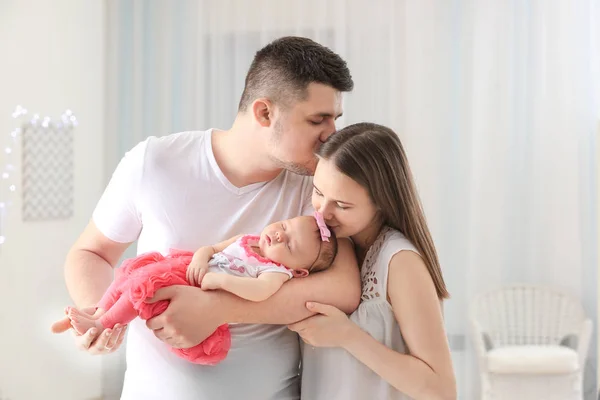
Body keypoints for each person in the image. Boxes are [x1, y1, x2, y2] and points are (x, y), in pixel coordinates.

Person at [52, 36, 360, 399]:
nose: (332, 137)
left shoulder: (318, 186)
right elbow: (91, 252)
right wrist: (103, 316)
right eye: (317, 120)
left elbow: (344, 288)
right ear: (264, 113)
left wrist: (217, 307)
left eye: (335, 119)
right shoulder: (155, 163)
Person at [289, 123, 457, 399]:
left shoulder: (399, 261)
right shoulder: (329, 247)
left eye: (342, 205)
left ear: (381, 202)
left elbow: (441, 390)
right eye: (318, 192)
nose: (323, 212)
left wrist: (348, 336)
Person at [53, 213, 337, 366]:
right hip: (191, 268)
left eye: (287, 244)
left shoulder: (277, 272)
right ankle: (99, 310)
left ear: (298, 270)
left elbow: (259, 292)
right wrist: (201, 258)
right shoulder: (249, 239)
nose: (277, 234)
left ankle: (104, 323)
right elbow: (212, 248)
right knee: (130, 268)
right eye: (284, 226)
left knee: (144, 283)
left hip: (198, 287)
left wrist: (221, 282)